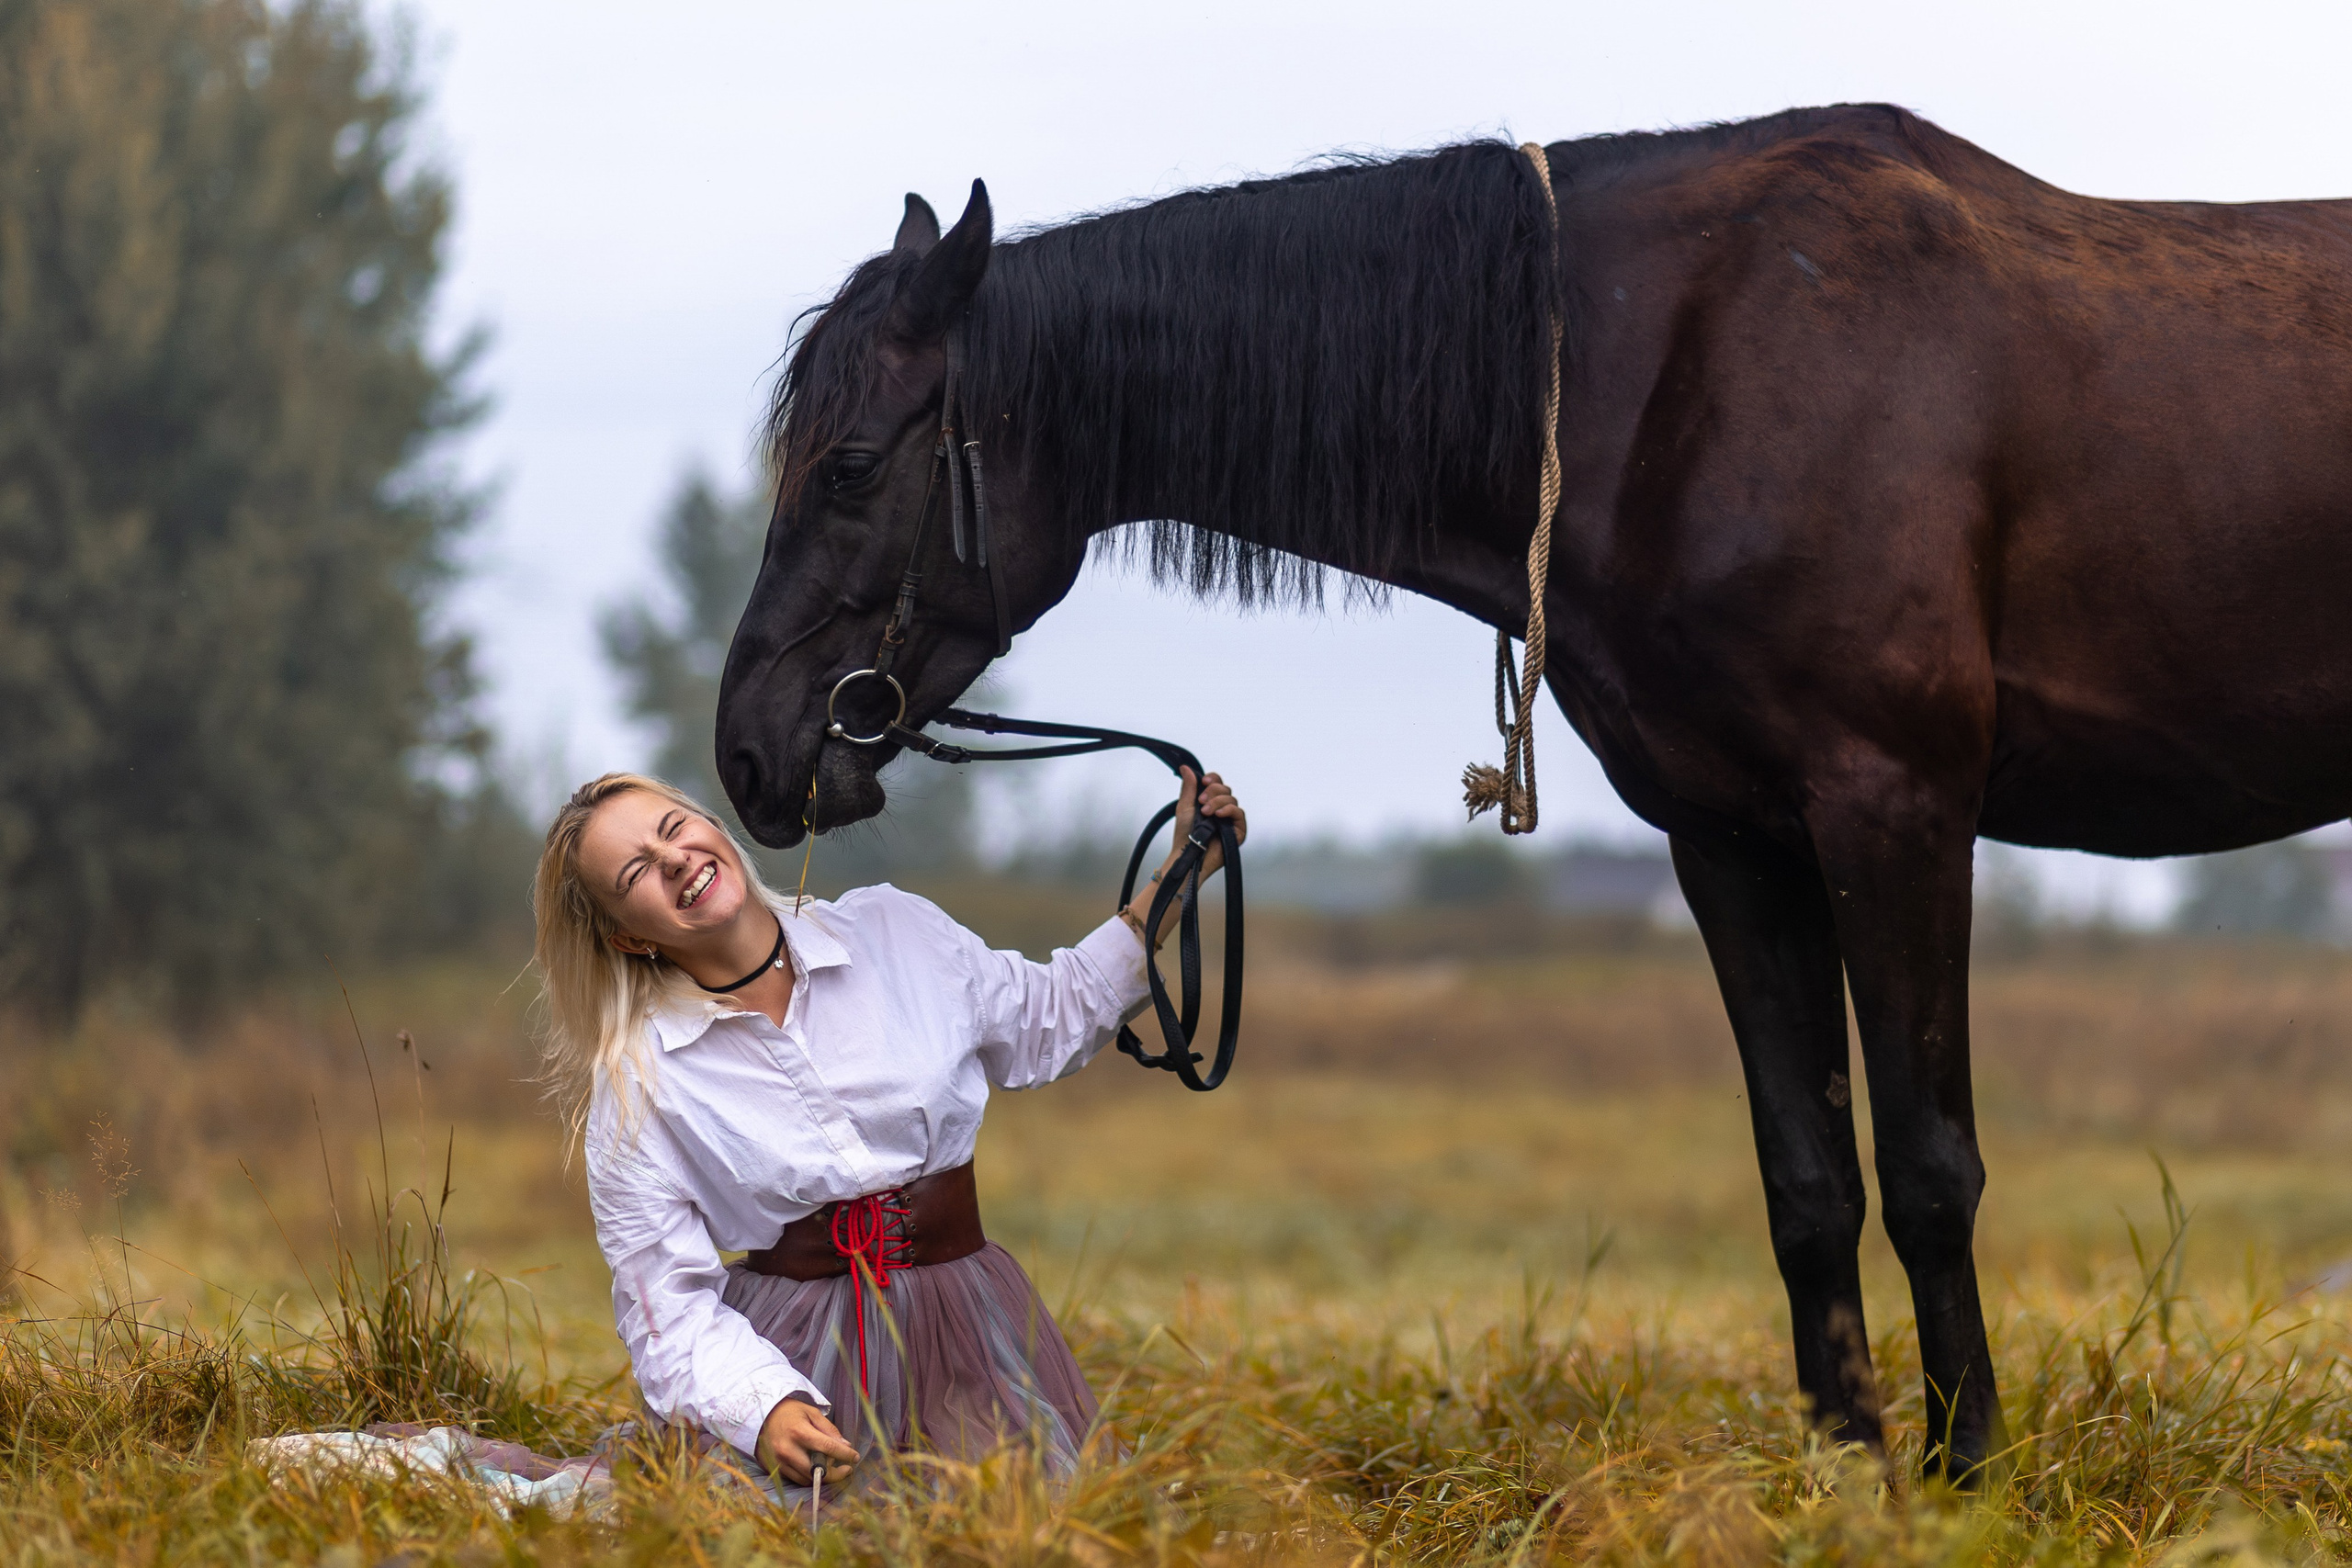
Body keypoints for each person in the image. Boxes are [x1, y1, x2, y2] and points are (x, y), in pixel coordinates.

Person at [531, 767, 1245, 1490]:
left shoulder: (894, 931)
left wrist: (1183, 870)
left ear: (710, 825)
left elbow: (1055, 1012)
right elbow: (663, 1304)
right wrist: (762, 1407)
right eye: (636, 871)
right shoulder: (639, 1078)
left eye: (673, 827)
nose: (674, 859)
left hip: (969, 1325)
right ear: (628, 937)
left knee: (1021, 1518)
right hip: (796, 1358)